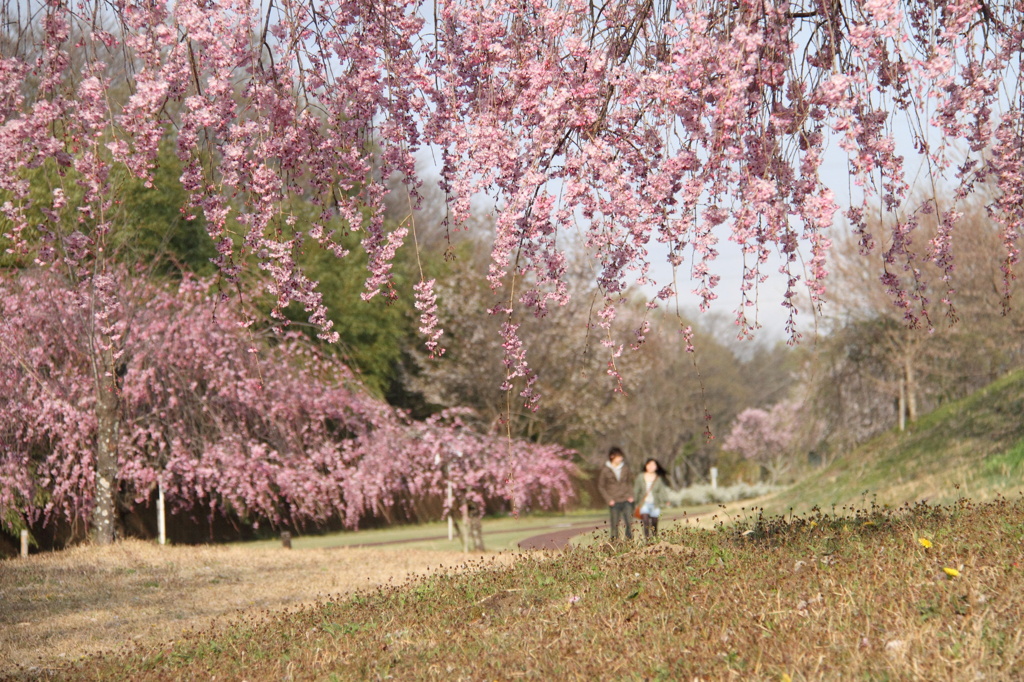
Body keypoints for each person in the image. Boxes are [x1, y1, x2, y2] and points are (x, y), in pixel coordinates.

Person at [597, 446, 634, 541]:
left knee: (630, 523)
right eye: (618, 456)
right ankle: (614, 544)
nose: (620, 458)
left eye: (621, 456)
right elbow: (601, 486)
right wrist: (608, 499)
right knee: (614, 525)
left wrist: (631, 495)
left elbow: (629, 483)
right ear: (612, 456)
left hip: (626, 499)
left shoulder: (625, 468)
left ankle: (630, 543)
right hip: (614, 501)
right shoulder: (605, 470)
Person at [633, 458, 671, 540]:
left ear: (656, 467)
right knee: (645, 520)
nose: (651, 467)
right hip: (644, 503)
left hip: (655, 503)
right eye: (649, 464)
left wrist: (666, 500)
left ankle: (655, 538)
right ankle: (647, 539)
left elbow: (662, 490)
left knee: (654, 522)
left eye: (653, 465)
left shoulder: (658, 478)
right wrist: (634, 501)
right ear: (646, 465)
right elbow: (636, 489)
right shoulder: (640, 477)